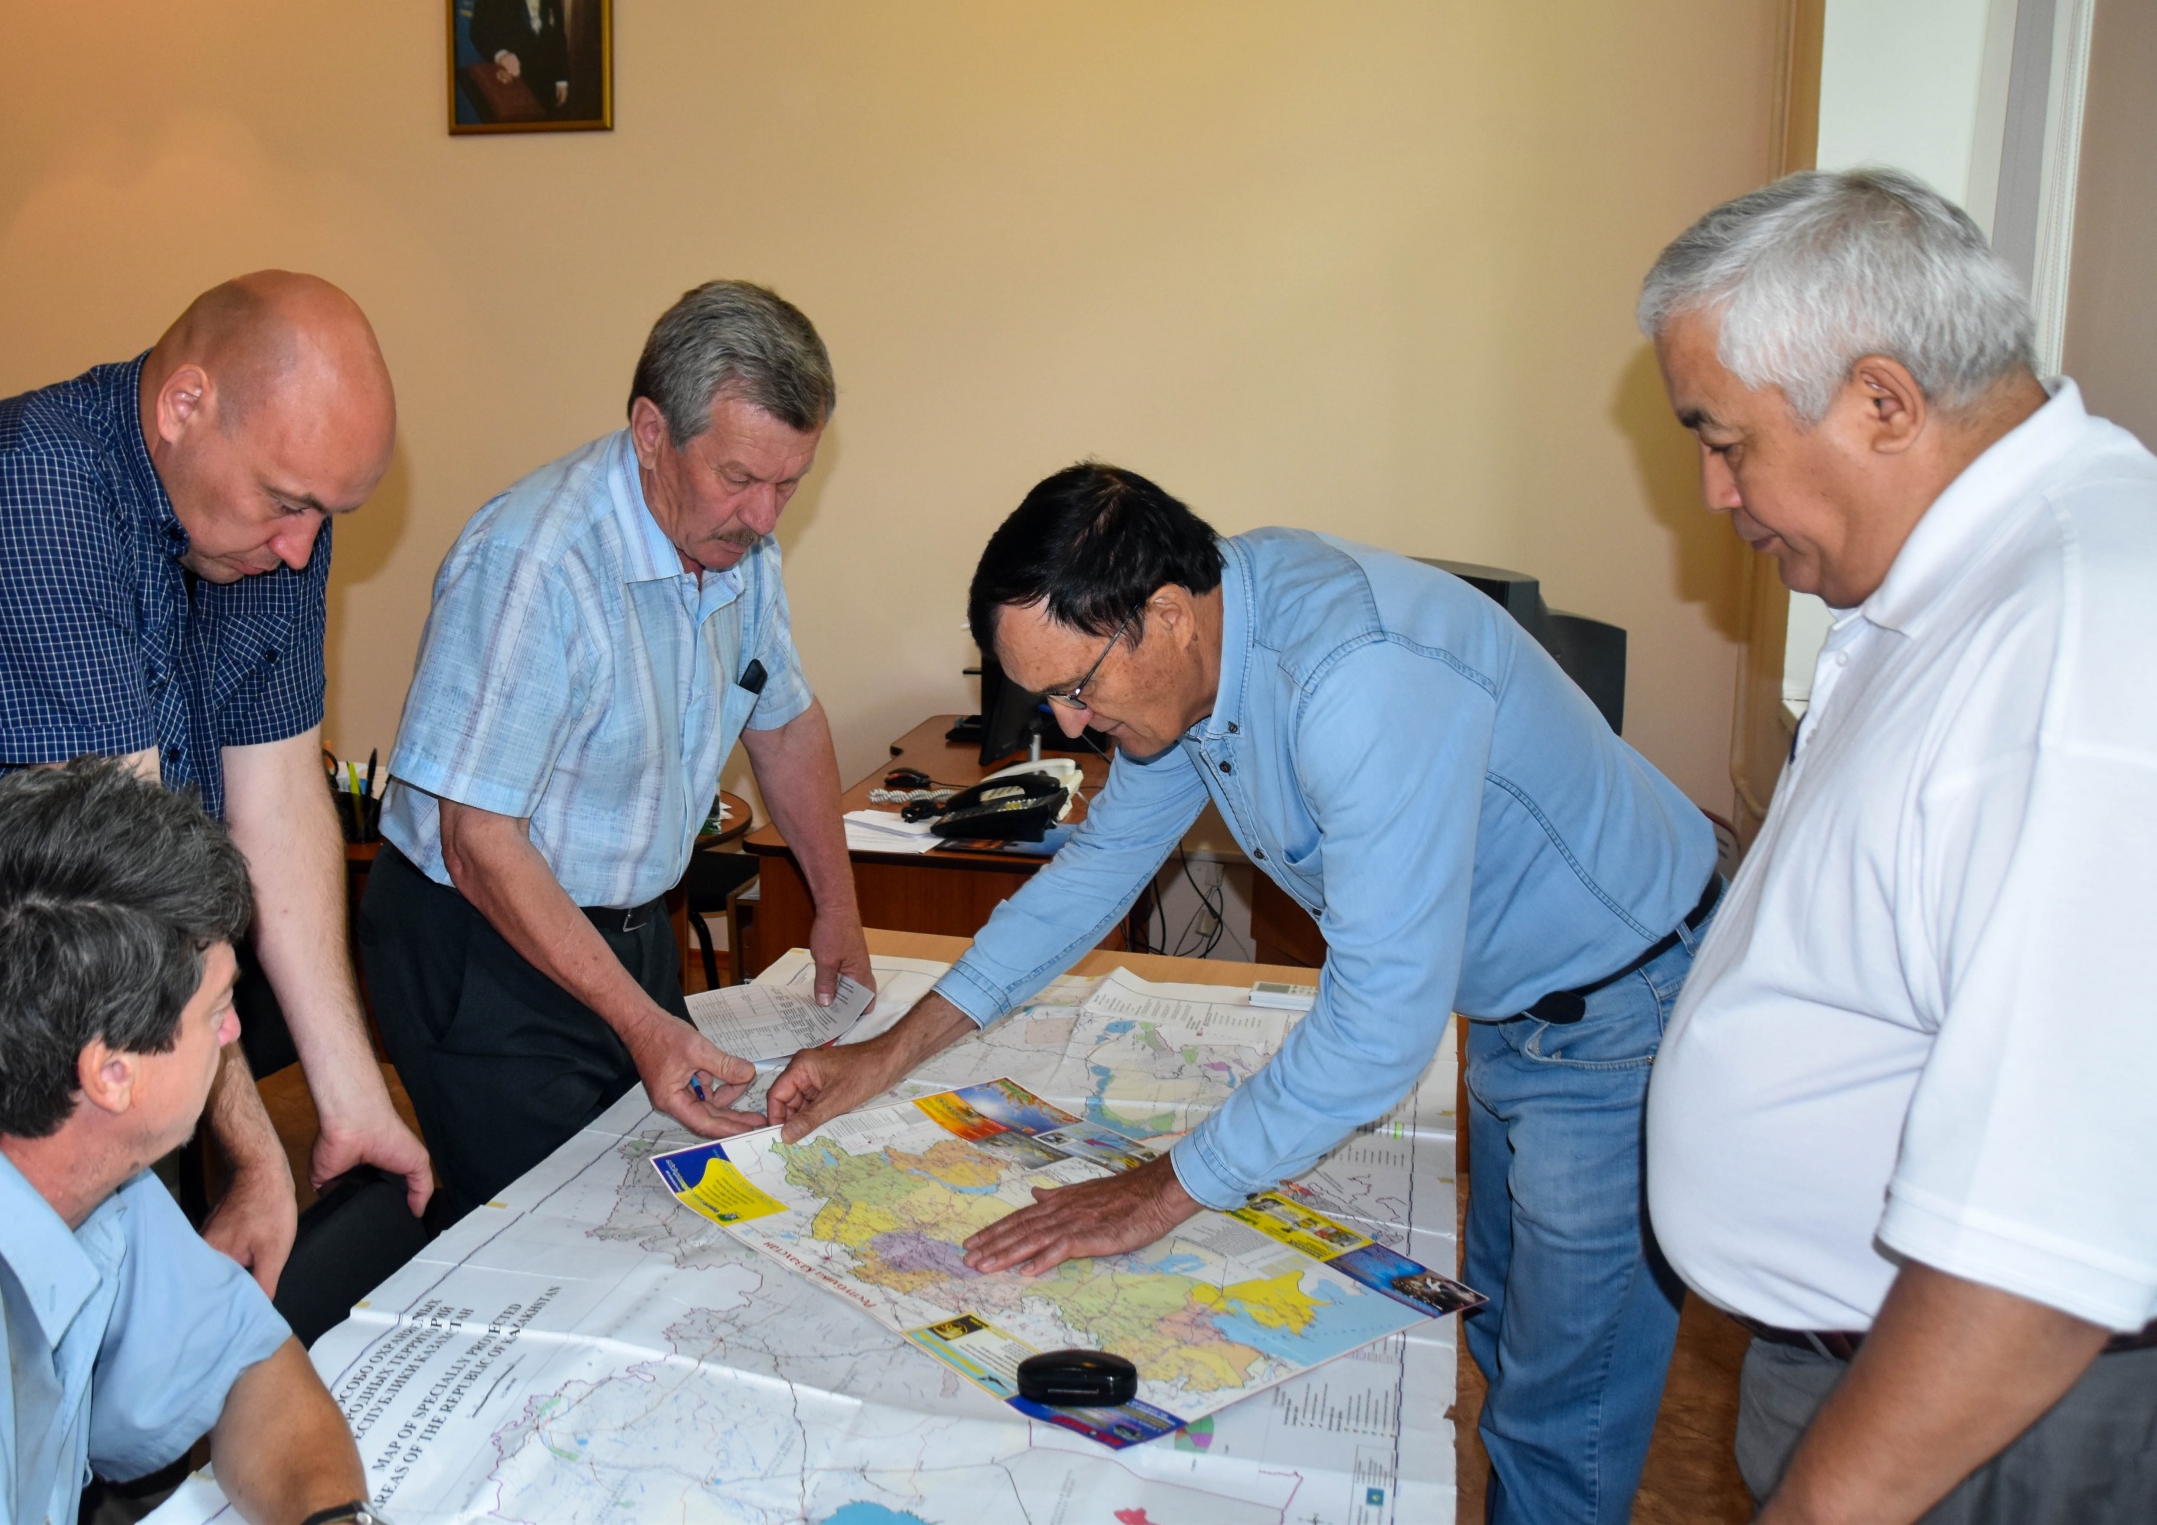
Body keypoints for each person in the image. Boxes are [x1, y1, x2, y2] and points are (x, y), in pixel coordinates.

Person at [769, 464, 1720, 1525]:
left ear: (1168, 614)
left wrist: (1158, 1193)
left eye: (1077, 688)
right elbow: (1093, 875)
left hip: (1620, 1010)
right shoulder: (1207, 651)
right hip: (1511, 1010)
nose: (1071, 728)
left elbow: (1378, 1029)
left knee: (1561, 1421)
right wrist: (888, 1052)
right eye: (1046, 700)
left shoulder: (1355, 681)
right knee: (1505, 1337)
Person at [1642, 169, 2157, 1522]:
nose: (1712, 492)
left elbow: (2040, 1248)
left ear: (1883, 401)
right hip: (1864, 1366)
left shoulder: (2078, 638)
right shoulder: (1968, 577)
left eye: (1726, 440)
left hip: (1983, 1420)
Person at [0, 271, 433, 1293]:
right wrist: (256, 1155)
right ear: (184, 405)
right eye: (289, 503)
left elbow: (280, 795)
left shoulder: (264, 532)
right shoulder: (24, 496)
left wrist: (352, 1098)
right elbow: (133, 885)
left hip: (88, 1033)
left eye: (326, 513)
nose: (301, 548)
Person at [0, 761, 377, 1525]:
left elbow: (246, 1369)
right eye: (218, 1009)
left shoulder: (61, 1149)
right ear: (112, 1073)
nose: (233, 1032)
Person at [364, 280, 871, 1206]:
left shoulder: (738, 548)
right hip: (484, 943)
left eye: (788, 484)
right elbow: (478, 843)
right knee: (559, 1223)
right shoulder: (535, 563)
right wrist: (643, 1025)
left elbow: (785, 721)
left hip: (630, 933)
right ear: (650, 432)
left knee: (687, 1196)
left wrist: (837, 904)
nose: (765, 518)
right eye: (739, 479)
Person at [470, 0, 570, 116]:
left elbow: (558, 35)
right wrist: (501, 55)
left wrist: (562, 79)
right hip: (513, 81)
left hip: (548, 83)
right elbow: (478, 30)